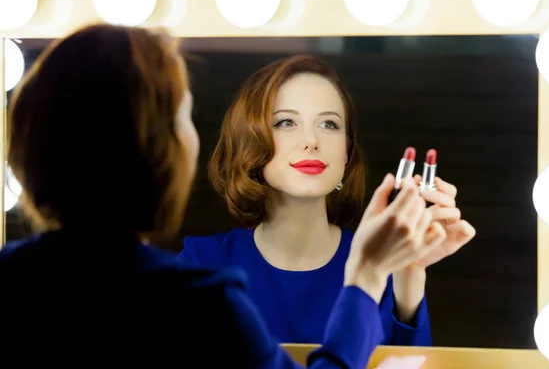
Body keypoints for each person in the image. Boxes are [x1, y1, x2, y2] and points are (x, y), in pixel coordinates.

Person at [0, 24, 448, 369]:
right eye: (183, 118)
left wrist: (404, 279)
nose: (311, 141)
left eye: (330, 125)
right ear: (155, 151)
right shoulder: (199, 298)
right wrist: (367, 274)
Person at [179, 55, 476, 346]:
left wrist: (410, 271)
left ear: (346, 153)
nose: (311, 141)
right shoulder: (202, 265)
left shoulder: (381, 263)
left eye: (329, 125)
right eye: (286, 122)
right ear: (249, 140)